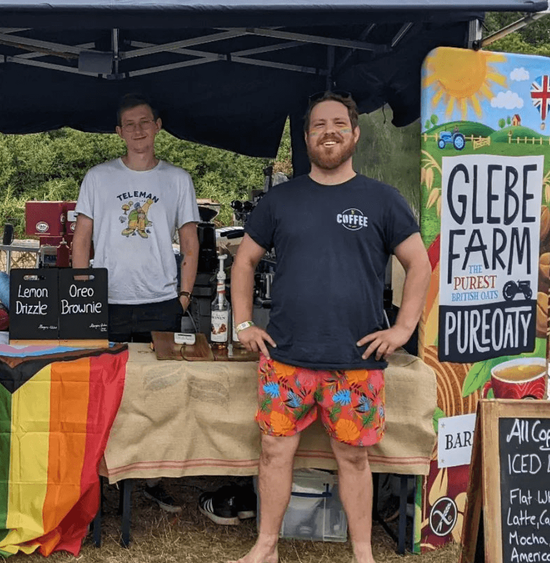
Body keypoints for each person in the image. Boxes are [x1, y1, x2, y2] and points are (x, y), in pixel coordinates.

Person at [228, 91, 431, 563]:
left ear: (355, 134)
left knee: (354, 459)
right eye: (319, 125)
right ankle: (266, 546)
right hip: (285, 357)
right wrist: (242, 323)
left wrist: (402, 329)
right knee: (275, 455)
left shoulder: (383, 200)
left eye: (339, 123)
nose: (329, 132)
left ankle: (363, 554)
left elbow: (419, 265)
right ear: (306, 137)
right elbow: (244, 262)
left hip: (355, 361)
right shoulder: (281, 200)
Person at [72, 93, 200, 512]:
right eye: (130, 124)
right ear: (118, 132)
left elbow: (190, 241)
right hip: (106, 302)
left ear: (158, 126)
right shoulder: (98, 177)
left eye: (145, 122)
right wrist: (83, 293)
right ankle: (99, 474)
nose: (139, 130)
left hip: (161, 301)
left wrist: (183, 296)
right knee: (102, 391)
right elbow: (82, 240)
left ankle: (152, 477)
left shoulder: (177, 179)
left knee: (158, 395)